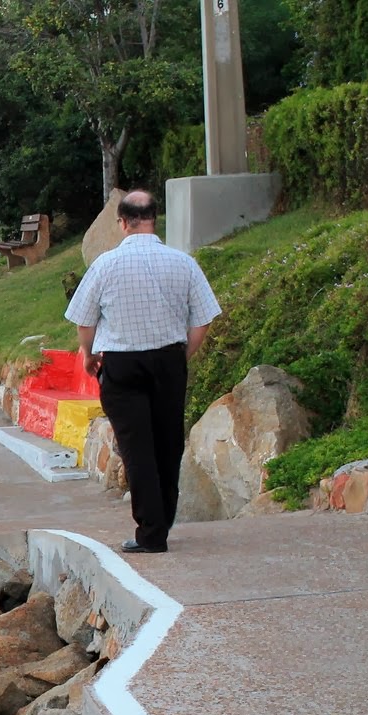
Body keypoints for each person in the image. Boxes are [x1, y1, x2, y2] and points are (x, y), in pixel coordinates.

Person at [65, 189, 222, 554]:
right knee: (168, 443)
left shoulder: (105, 265)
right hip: (169, 361)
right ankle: (162, 521)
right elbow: (203, 320)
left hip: (121, 365)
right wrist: (182, 355)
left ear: (123, 223)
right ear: (154, 218)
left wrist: (88, 355)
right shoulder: (183, 263)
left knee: (137, 448)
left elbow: (84, 321)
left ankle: (151, 532)